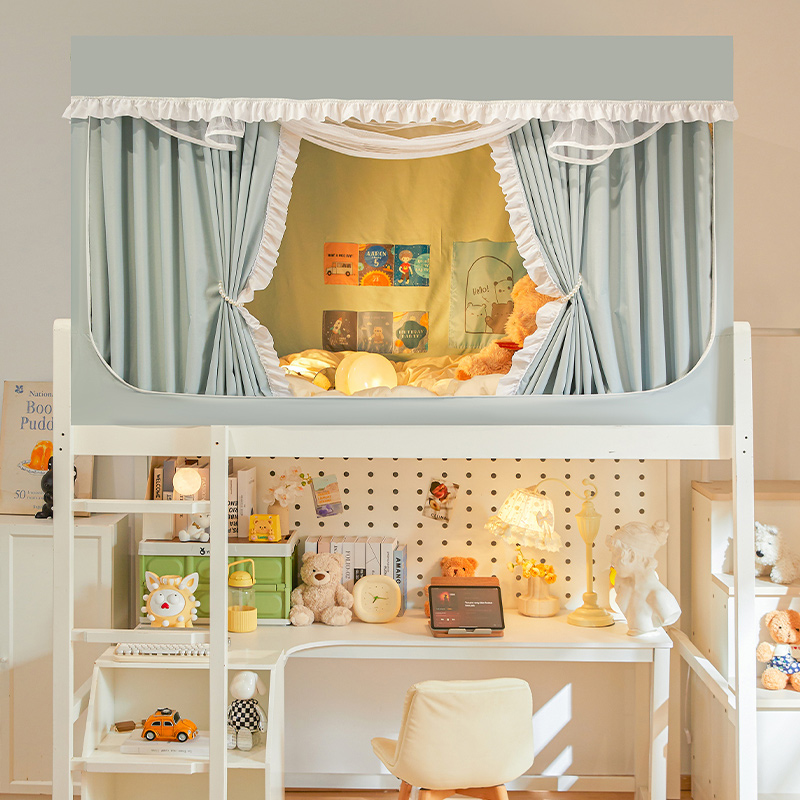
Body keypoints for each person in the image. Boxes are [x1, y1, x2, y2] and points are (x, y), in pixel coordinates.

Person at [606, 520, 681, 635]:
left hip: (646, 642)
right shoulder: (622, 584)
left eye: (615, 554)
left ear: (631, 556)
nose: (612, 561)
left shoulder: (658, 596)